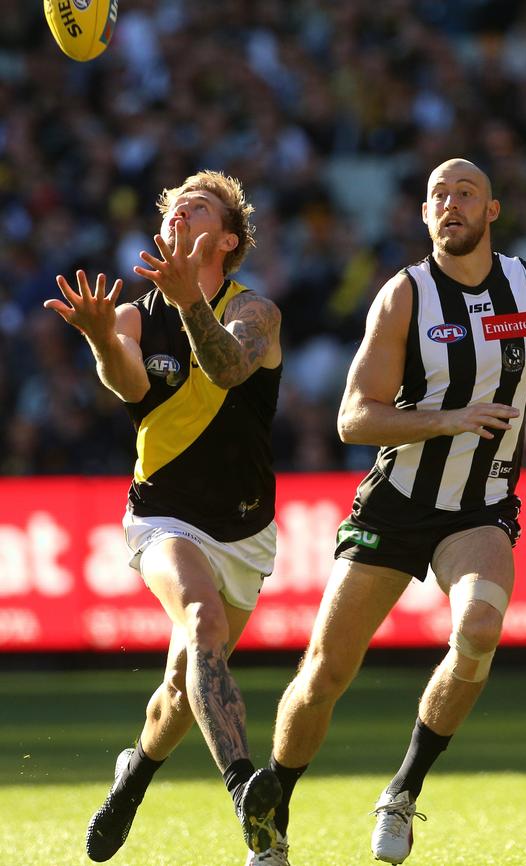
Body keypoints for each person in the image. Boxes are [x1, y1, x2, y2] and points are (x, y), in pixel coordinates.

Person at [262, 158, 526, 865]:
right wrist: (448, 420)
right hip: (395, 505)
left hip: (480, 508)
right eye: (438, 196)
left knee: (478, 627)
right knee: (324, 673)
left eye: (465, 193)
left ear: (492, 210)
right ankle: (273, 813)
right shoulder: (404, 296)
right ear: (423, 216)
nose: (451, 204)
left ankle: (403, 791)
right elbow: (354, 419)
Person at [44, 170, 285, 864]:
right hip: (162, 517)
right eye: (175, 204)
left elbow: (232, 368)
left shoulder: (257, 310)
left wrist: (189, 307)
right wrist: (97, 338)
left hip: (245, 530)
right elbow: (128, 383)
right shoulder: (133, 314)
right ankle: (247, 795)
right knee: (204, 623)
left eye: (199, 205)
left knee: (182, 691)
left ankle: (131, 780)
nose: (182, 208)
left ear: (228, 239)